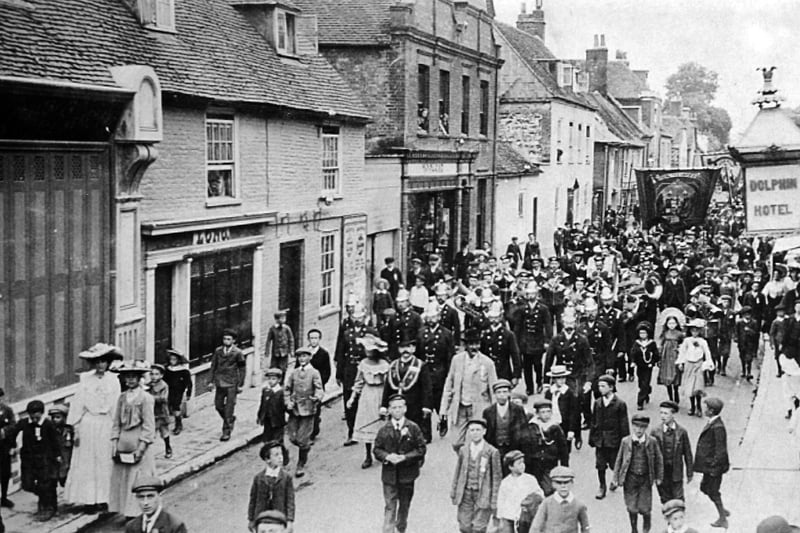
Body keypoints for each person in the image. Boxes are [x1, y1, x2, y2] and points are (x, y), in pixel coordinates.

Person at [65, 342, 123, 510]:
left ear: (108, 362)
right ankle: (89, 500)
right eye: (97, 362)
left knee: (104, 461)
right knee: (87, 462)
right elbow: (78, 403)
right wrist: (74, 426)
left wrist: (116, 429)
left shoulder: (114, 380)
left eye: (103, 361)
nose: (100, 365)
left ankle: (103, 498)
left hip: (106, 423)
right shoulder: (85, 379)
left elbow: (115, 405)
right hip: (89, 423)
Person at [109, 360, 157, 518]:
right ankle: (126, 511)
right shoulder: (122, 397)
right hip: (124, 442)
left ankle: (139, 511)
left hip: (138, 442)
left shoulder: (146, 398)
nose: (130, 380)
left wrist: (141, 448)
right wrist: (115, 443)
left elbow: (149, 425)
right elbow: (116, 422)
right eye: (127, 377)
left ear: (139, 378)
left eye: (133, 377)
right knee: (124, 478)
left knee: (139, 478)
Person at [373, 394, 427, 533]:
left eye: (400, 407)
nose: (397, 410)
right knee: (390, 506)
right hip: (389, 476)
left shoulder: (413, 428)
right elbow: (377, 449)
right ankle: (388, 530)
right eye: (394, 407)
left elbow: (421, 449)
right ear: (389, 410)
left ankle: (401, 527)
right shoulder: (384, 430)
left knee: (404, 506)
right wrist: (387, 456)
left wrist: (405, 457)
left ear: (405, 409)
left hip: (407, 475)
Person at [0, 400, 61, 521]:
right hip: (28, 459)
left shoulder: (48, 425)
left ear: (41, 413)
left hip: (45, 459)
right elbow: (13, 432)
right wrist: (12, 446)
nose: (34, 418)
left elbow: (55, 441)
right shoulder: (24, 423)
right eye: (31, 415)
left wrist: (57, 455)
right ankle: (47, 497)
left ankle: (47, 507)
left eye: (37, 414)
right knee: (27, 484)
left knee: (45, 482)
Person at [440, 329, 498, 450]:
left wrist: (495, 411)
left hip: (479, 407)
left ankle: (473, 466)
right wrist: (443, 409)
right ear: (465, 345)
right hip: (460, 406)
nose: (474, 347)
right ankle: (464, 461)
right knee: (456, 442)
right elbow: (449, 384)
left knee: (477, 441)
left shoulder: (487, 363)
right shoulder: (457, 360)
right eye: (471, 344)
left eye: (476, 344)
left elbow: (493, 389)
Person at [336, 304, 379, 446]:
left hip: (365, 369)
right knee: (349, 401)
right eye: (355, 317)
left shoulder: (371, 332)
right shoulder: (347, 333)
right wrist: (339, 373)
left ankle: (370, 430)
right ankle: (351, 432)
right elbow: (341, 354)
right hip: (350, 370)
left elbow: (378, 353)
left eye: (360, 317)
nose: (358, 320)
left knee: (368, 400)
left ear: (365, 317)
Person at [613, 414, 664, 533]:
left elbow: (659, 459)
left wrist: (659, 477)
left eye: (642, 427)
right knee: (631, 507)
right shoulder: (625, 441)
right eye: (636, 427)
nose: (639, 430)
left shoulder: (652, 442)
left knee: (645, 508)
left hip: (645, 479)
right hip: (630, 478)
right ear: (632, 427)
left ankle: (646, 528)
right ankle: (634, 529)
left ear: (646, 428)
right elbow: (619, 460)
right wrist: (615, 477)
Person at [450, 418, 502, 533]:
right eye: (472, 430)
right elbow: (458, 472)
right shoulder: (464, 450)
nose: (475, 433)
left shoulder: (492, 452)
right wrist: (454, 491)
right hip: (466, 492)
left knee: (479, 527)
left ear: (484, 431)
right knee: (464, 526)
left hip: (483, 494)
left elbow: (496, 479)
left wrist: (494, 500)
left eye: (478, 430)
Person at [348, 334, 391, 469]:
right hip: (367, 395)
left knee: (382, 424)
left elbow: (389, 384)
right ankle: (368, 455)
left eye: (369, 349)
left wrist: (388, 401)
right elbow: (358, 382)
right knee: (367, 423)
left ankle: (383, 452)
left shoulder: (384, 365)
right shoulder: (363, 364)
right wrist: (352, 398)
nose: (366, 351)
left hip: (380, 393)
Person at [381, 339, 433, 442]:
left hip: (415, 404)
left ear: (413, 349)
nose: (405, 350)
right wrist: (384, 405)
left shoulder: (420, 365)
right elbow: (387, 387)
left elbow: (427, 388)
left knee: (414, 434)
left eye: (408, 347)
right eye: (402, 347)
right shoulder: (393, 365)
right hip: (397, 405)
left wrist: (426, 406)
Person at [284, 347, 324, 478]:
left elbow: (319, 389)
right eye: (300, 356)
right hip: (294, 409)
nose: (302, 359)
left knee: (302, 439)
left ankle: (301, 463)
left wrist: (317, 397)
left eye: (305, 356)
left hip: (308, 408)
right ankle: (305, 447)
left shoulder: (314, 372)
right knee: (292, 437)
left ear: (310, 357)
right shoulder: (294, 372)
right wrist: (288, 402)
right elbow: (287, 389)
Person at [589, 374, 630, 500]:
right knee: (600, 465)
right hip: (600, 441)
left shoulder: (620, 404)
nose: (600, 389)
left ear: (611, 387)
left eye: (603, 386)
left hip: (614, 441)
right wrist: (592, 438)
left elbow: (624, 424)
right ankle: (602, 486)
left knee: (614, 465)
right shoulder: (597, 403)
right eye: (599, 386)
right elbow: (594, 422)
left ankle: (616, 480)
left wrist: (625, 442)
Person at [693, 396, 730, 529]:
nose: (704, 409)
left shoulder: (717, 427)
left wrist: (713, 466)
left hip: (714, 468)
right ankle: (722, 509)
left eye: (706, 407)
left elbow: (721, 450)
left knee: (713, 491)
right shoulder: (713, 423)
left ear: (711, 410)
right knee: (705, 488)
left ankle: (722, 518)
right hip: (709, 467)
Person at [522, 399, 569, 496]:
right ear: (537, 414)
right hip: (535, 463)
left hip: (550, 462)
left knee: (548, 489)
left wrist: (564, 466)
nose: (546, 414)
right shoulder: (532, 427)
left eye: (548, 412)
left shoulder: (556, 428)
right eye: (543, 412)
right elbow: (526, 446)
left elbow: (563, 449)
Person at [513, 282, 553, 395]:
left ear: (537, 294)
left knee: (537, 364)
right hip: (525, 341)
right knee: (526, 366)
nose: (531, 296)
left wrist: (547, 341)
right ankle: (529, 387)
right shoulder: (522, 309)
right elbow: (517, 326)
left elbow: (548, 325)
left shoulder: (543, 308)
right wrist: (516, 342)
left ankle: (539, 382)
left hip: (538, 340)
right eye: (529, 294)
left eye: (533, 293)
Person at [650, 401, 693, 504]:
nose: (662, 416)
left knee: (678, 497)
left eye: (666, 413)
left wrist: (689, 472)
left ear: (673, 414)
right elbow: (650, 454)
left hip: (676, 470)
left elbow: (687, 453)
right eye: (661, 413)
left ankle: (677, 516)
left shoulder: (682, 432)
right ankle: (670, 517)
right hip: (661, 471)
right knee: (665, 497)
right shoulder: (655, 431)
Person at [482, 380, 528, 473]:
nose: (502, 395)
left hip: (513, 447)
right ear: (494, 394)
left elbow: (524, 430)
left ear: (509, 393)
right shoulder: (488, 411)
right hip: (496, 448)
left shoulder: (517, 409)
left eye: (504, 392)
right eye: (499, 392)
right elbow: (486, 433)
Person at [248, 441, 295, 533]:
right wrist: (251, 519)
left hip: (279, 518)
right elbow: (253, 499)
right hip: (261, 519)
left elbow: (290, 500)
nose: (280, 457)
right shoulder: (258, 478)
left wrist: (290, 520)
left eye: (281, 454)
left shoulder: (286, 478)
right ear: (267, 459)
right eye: (276, 455)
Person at [209, 328, 247, 441]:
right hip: (220, 382)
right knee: (218, 405)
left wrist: (240, 384)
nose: (226, 341)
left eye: (229, 339)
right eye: (224, 339)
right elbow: (213, 366)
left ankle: (226, 431)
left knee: (229, 408)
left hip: (232, 383)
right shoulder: (218, 351)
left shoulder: (238, 353)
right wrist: (210, 381)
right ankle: (230, 419)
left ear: (234, 341)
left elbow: (242, 369)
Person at [529, 466, 590, 533]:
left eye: (566, 482)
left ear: (572, 483)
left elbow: (586, 527)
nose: (563, 486)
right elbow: (536, 526)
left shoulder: (579, 505)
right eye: (559, 483)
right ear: (553, 484)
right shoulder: (546, 503)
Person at [496, 450, 542, 533]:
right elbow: (501, 500)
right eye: (519, 463)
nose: (522, 465)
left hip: (525, 518)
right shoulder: (506, 482)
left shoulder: (530, 479)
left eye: (523, 462)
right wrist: (500, 518)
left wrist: (530, 502)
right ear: (510, 467)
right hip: (509, 516)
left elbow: (539, 495)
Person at [676, 319, 712, 416]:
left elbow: (707, 352)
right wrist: (680, 363)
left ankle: (699, 407)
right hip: (689, 364)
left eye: (697, 330)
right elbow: (682, 352)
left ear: (700, 331)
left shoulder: (703, 341)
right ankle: (692, 406)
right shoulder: (687, 341)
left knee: (697, 387)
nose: (694, 332)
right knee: (690, 387)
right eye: (693, 330)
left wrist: (708, 363)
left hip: (698, 365)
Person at [544, 365, 581, 450]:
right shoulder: (549, 393)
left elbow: (574, 413)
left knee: (565, 450)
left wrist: (572, 430)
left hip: (565, 425)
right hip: (552, 424)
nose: (561, 380)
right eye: (558, 378)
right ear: (553, 379)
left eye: (563, 378)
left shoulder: (570, 393)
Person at [306, 328, 331, 442]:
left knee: (315, 409)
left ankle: (312, 432)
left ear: (319, 339)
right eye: (311, 338)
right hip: (305, 386)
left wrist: (320, 384)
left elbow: (327, 372)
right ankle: (307, 430)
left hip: (317, 387)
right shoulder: (304, 353)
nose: (313, 340)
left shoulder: (323, 354)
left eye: (316, 338)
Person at [631, 322, 659, 411]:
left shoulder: (652, 343)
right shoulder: (636, 343)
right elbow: (633, 353)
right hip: (640, 366)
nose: (642, 335)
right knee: (640, 382)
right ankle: (646, 392)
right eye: (641, 333)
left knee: (645, 382)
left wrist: (654, 362)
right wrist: (633, 361)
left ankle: (640, 402)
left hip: (648, 366)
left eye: (644, 333)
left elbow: (656, 354)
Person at [164, 349, 192, 436]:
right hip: (169, 391)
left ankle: (178, 424)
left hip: (178, 391)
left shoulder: (184, 371)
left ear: (178, 360)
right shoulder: (167, 370)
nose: (172, 361)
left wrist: (188, 394)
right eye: (171, 359)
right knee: (169, 406)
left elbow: (189, 383)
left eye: (174, 359)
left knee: (176, 407)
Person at [147, 364, 172, 459]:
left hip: (161, 412)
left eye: (156, 374)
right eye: (152, 374)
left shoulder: (164, 386)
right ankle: (148, 453)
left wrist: (150, 397)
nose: (154, 376)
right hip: (151, 412)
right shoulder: (148, 385)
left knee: (164, 431)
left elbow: (164, 398)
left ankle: (168, 447)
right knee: (150, 432)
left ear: (161, 375)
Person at [658, 314, 684, 404]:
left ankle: (676, 393)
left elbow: (683, 345)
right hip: (666, 357)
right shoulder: (664, 333)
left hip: (675, 356)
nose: (671, 325)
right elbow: (661, 345)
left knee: (676, 375)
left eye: (673, 323)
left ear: (677, 324)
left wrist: (680, 350)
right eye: (670, 323)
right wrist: (660, 357)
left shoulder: (680, 334)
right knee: (667, 376)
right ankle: (670, 397)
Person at [257, 368, 287, 444]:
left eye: (273, 379)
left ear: (279, 380)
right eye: (269, 379)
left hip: (278, 421)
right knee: (266, 440)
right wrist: (260, 416)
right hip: (267, 420)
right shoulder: (266, 391)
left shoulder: (281, 392)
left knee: (277, 441)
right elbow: (262, 405)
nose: (270, 381)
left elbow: (285, 406)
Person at [48, 404, 73, 489]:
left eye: (58, 417)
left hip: (67, 456)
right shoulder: (51, 430)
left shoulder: (69, 429)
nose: (55, 420)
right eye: (53, 418)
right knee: (56, 478)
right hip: (56, 458)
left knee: (67, 477)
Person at [0, 389, 16, 509]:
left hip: (4, 447)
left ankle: (4, 497)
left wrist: (4, 431)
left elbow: (13, 425)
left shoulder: (7, 410)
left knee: (4, 473)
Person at [267, 310, 295, 376]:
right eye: (281, 318)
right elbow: (268, 340)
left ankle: (282, 382)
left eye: (284, 318)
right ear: (276, 319)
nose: (283, 320)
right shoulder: (272, 329)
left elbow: (291, 340)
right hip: (275, 352)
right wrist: (267, 352)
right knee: (274, 367)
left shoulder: (287, 328)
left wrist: (291, 351)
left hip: (284, 352)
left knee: (283, 368)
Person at [735, 305, 759, 381]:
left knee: (749, 358)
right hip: (741, 343)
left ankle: (749, 372)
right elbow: (737, 332)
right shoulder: (739, 323)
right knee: (742, 356)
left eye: (749, 314)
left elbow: (756, 333)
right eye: (746, 314)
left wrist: (749, 331)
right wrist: (736, 338)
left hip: (750, 343)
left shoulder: (754, 323)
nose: (747, 316)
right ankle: (743, 371)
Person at [770, 303, 788, 378]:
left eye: (783, 311)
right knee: (778, 356)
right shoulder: (775, 322)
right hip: (778, 341)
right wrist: (772, 343)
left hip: (786, 341)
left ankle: (786, 369)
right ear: (777, 313)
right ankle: (779, 370)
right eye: (780, 312)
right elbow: (772, 333)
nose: (781, 313)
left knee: (786, 355)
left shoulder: (787, 320)